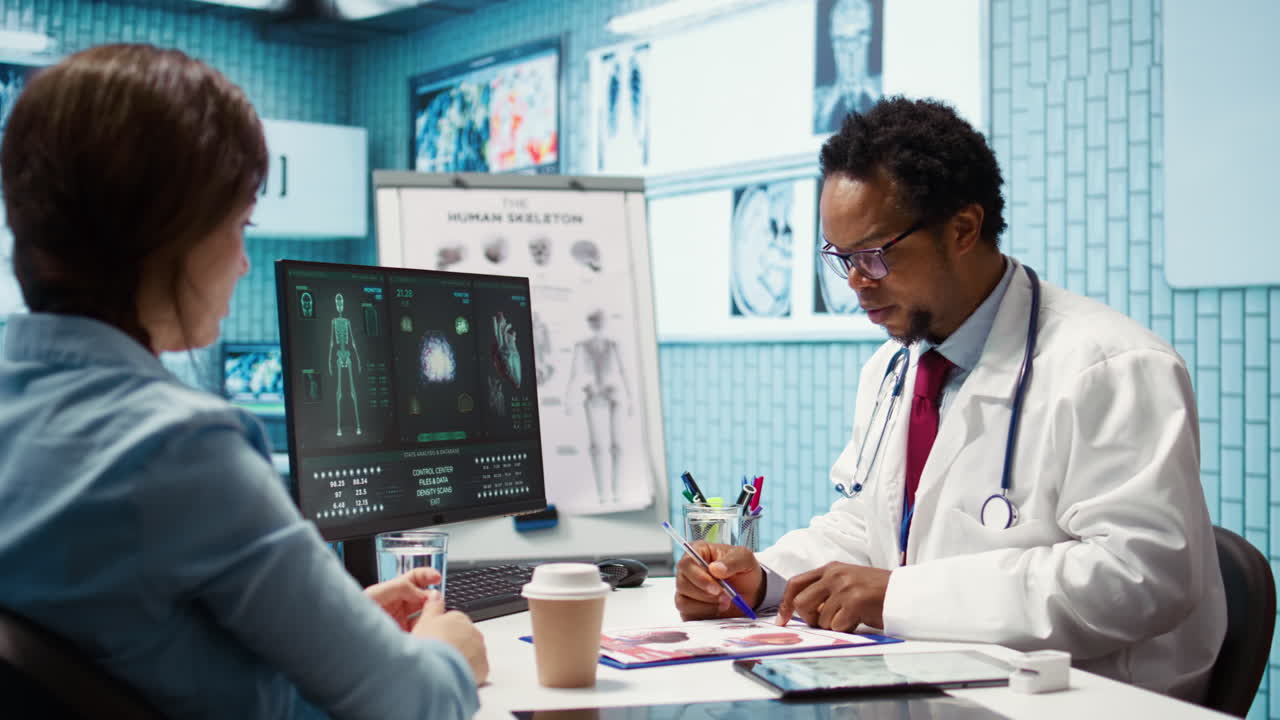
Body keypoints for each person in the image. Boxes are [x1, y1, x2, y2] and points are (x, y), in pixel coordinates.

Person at [674, 97, 1227, 702]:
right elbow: (869, 524)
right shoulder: (894, 367)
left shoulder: (1112, 368)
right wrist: (764, 579)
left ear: (963, 228)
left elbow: (1142, 575)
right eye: (841, 258)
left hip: (1083, 702)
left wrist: (898, 596)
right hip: (933, 689)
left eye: (875, 253)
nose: (857, 281)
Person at [0, 44, 488, 719]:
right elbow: (409, 705)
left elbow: (143, 650)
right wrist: (446, 653)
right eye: (240, 225)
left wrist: (340, 625)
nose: (244, 262)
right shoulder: (179, 448)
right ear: (168, 233)